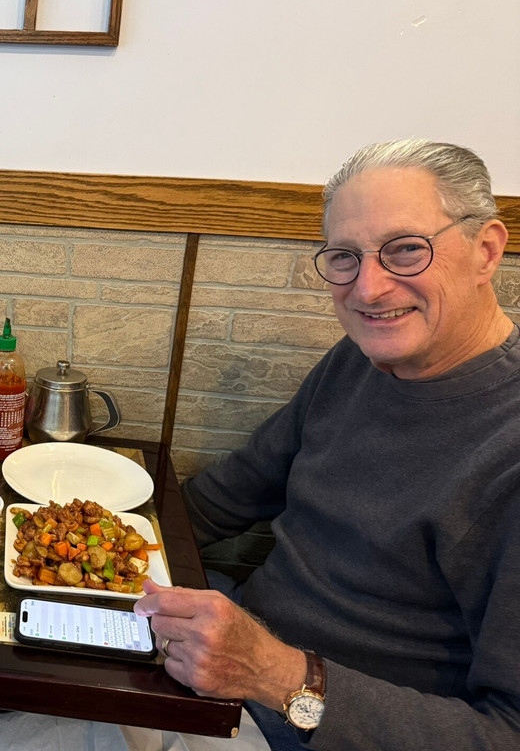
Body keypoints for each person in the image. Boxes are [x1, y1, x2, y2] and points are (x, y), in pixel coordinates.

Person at [134, 139, 520, 749]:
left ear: (486, 250)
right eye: (345, 257)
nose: (368, 289)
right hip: (226, 665)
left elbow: (506, 731)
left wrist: (277, 675)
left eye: (406, 249)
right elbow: (234, 492)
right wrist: (119, 547)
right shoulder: (358, 360)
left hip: (305, 724)